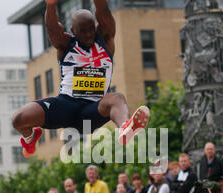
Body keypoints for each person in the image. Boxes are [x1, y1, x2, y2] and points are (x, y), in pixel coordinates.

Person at [11, 0, 150, 159]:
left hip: (92, 110)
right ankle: (30, 137)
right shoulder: (65, 44)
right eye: (83, 31)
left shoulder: (104, 38)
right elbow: (52, 29)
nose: (89, 34)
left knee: (116, 98)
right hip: (65, 106)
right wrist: (50, 5)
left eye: (91, 29)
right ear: (73, 31)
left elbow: (103, 10)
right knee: (19, 119)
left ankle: (125, 129)